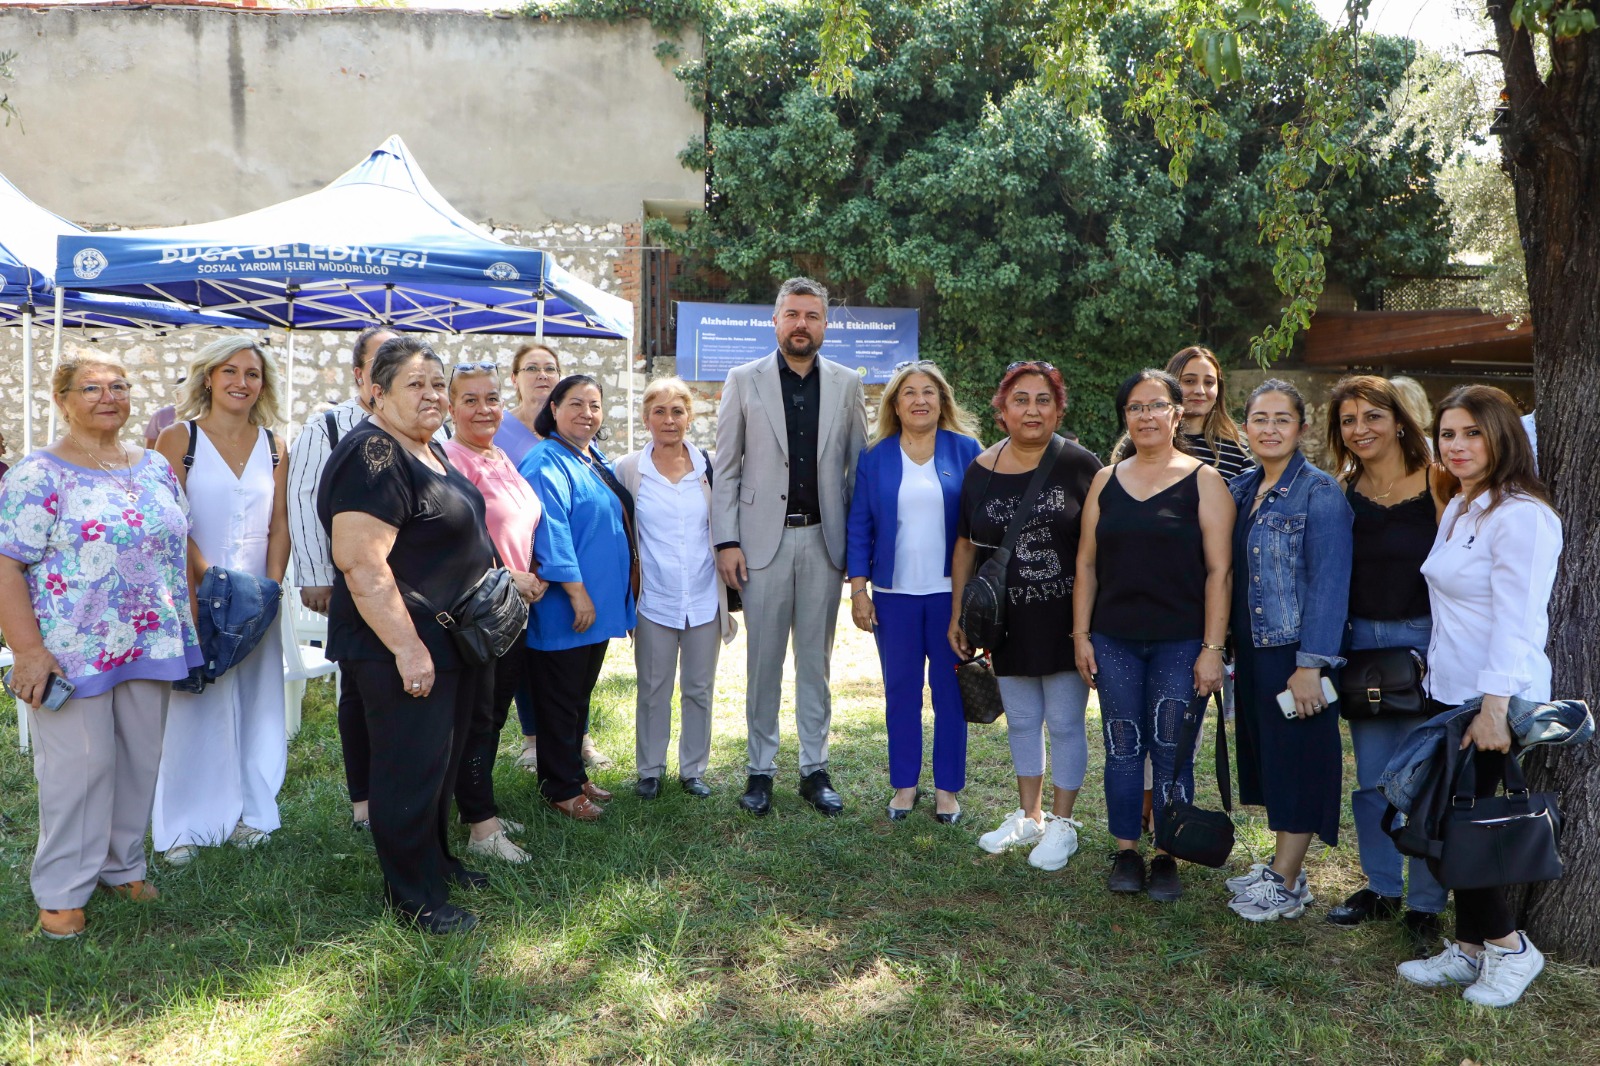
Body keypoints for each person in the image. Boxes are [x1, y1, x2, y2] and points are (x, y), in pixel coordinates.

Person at [0, 357, 202, 940]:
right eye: (91, 388)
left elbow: (178, 543)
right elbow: (6, 564)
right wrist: (29, 652)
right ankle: (62, 889)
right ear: (63, 400)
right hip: (72, 648)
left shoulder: (158, 465)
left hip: (150, 636)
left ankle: (123, 866)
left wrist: (186, 619)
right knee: (79, 768)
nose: (107, 397)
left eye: (118, 387)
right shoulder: (38, 474)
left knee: (139, 759)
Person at [319, 337, 503, 934]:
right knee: (409, 768)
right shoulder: (371, 453)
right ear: (375, 392)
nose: (432, 395)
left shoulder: (430, 450)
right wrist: (407, 646)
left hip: (450, 640)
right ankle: (414, 899)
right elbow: (362, 563)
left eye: (437, 384)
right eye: (415, 385)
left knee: (441, 766)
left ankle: (437, 864)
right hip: (397, 643)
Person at [1398, 384, 1562, 1008]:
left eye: (1472, 432)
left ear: (1504, 437)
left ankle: (1512, 949)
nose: (1457, 445)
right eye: (1448, 434)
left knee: (1464, 830)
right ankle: (1468, 953)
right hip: (1451, 694)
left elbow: (1518, 622)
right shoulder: (1464, 506)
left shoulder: (1522, 516)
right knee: (1449, 822)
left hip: (1494, 701)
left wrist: (1494, 708)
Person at [1074, 369, 1233, 901]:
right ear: (1125, 417)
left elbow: (1220, 573)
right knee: (1122, 746)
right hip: (1115, 637)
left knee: (1171, 749)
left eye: (1155, 406)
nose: (1145, 416)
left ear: (1177, 412)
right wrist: (1081, 633)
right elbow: (1087, 566)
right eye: (1135, 408)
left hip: (1182, 641)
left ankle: (1168, 854)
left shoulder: (1205, 481)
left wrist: (1212, 649)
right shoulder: (1105, 480)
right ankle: (1126, 851)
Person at [712, 277, 868, 817]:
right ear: (775, 321)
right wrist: (726, 540)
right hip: (760, 545)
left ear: (824, 325)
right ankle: (760, 770)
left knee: (815, 663)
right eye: (793, 315)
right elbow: (726, 469)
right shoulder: (742, 379)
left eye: (813, 316)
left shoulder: (848, 384)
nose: (802, 324)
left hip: (825, 542)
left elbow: (857, 473)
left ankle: (814, 769)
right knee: (763, 661)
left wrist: (858, 553)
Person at [150, 338, 291, 866]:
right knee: (195, 700)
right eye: (229, 371)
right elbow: (171, 522)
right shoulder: (177, 437)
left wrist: (268, 591)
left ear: (263, 383)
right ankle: (184, 825)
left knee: (258, 702)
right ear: (208, 377)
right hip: (195, 593)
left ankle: (251, 812)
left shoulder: (275, 444)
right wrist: (207, 583)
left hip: (256, 596)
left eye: (252, 373)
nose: (241, 381)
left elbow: (280, 526)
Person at [951, 361, 1102, 858]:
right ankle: (1029, 816)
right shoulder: (981, 470)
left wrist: (1089, 627)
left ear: (1058, 410)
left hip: (1066, 620)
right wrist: (959, 615)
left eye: (1043, 399)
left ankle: (1064, 822)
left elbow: (1100, 547)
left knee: (1063, 723)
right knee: (1020, 720)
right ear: (1002, 412)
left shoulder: (1083, 466)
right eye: (1020, 400)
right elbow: (966, 547)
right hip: (1006, 622)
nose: (1031, 409)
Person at [1321, 375, 1445, 944]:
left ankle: (1424, 903)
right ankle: (1380, 888)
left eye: (1371, 416)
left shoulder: (1441, 484)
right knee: (1372, 779)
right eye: (1348, 420)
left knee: (1423, 777)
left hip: (1427, 640)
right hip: (1361, 645)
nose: (1360, 429)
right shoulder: (1339, 492)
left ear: (1398, 420)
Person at [1222, 379, 1352, 921]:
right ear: (1245, 426)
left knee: (1298, 762)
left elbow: (1329, 584)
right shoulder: (1240, 486)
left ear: (1301, 428)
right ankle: (1280, 865)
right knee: (1272, 759)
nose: (1270, 429)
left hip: (1294, 652)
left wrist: (1310, 664)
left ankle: (1289, 881)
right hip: (1253, 649)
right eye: (1259, 418)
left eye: (1282, 419)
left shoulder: (1320, 493)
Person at [849, 361, 983, 824]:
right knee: (901, 691)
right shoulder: (875, 456)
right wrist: (859, 590)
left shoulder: (967, 451)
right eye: (909, 392)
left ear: (942, 401)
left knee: (950, 693)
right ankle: (905, 785)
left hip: (952, 597)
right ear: (895, 404)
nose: (919, 400)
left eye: (929, 391)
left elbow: (983, 525)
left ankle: (947, 790)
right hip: (892, 596)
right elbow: (859, 526)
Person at [287, 324, 398, 831]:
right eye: (382, 361)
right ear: (360, 374)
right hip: (349, 581)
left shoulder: (428, 426)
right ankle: (365, 803)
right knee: (359, 688)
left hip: (409, 586)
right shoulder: (328, 426)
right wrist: (314, 575)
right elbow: (305, 503)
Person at [442, 361, 547, 863]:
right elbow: (456, 540)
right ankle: (482, 833)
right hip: (481, 609)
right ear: (450, 407)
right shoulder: (450, 459)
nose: (483, 409)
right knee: (477, 718)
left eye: (491, 399)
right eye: (470, 400)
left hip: (514, 609)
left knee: (492, 718)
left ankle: (475, 810)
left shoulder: (500, 454)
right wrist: (509, 576)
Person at [520, 374, 636, 821]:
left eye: (594, 405)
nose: (586, 413)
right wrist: (577, 593)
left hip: (597, 605)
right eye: (575, 404)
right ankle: (560, 788)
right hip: (569, 606)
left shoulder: (590, 457)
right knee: (558, 698)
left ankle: (573, 773)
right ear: (553, 408)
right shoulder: (545, 460)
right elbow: (552, 533)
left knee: (578, 695)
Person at [615, 377, 737, 800]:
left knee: (699, 689)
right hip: (654, 599)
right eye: (660, 411)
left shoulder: (711, 465)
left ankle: (693, 771)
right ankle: (649, 770)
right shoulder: (629, 469)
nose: (670, 420)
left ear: (691, 416)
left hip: (704, 596)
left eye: (678, 411)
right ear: (646, 418)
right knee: (652, 689)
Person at [497, 342, 610, 773]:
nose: (541, 375)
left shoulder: (581, 442)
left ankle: (571, 748)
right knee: (542, 665)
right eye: (531, 368)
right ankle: (539, 748)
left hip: (562, 571)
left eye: (550, 368)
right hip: (523, 564)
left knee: (567, 673)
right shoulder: (501, 429)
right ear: (515, 377)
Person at [1165, 346, 1254, 481]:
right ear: (1169, 385)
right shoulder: (1146, 439)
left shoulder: (1237, 451)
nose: (1200, 391)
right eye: (1189, 381)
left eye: (1209, 382)